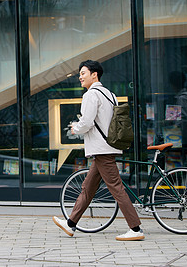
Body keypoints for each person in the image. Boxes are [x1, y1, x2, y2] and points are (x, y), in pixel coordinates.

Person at [52, 60, 144, 241]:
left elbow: (87, 122)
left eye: (83, 73)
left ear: (95, 74)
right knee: (88, 188)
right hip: (108, 146)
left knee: (116, 188)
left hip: (102, 149)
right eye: (80, 73)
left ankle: (135, 228)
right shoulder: (110, 94)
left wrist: (75, 128)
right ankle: (71, 224)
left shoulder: (91, 95)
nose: (80, 76)